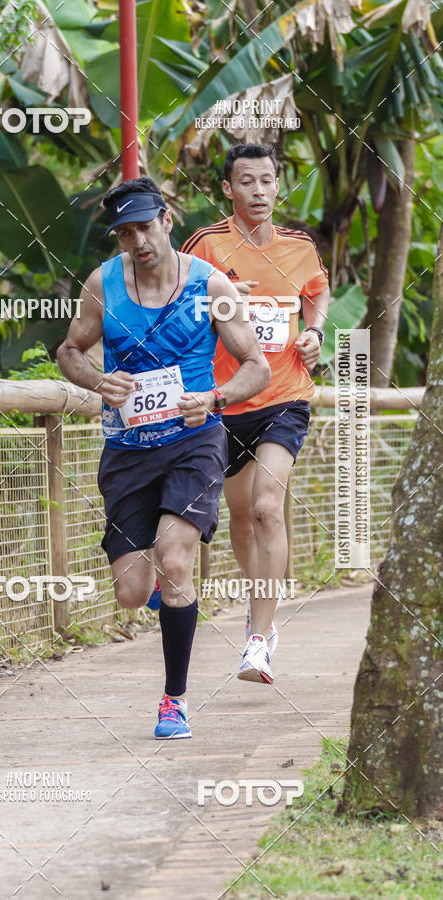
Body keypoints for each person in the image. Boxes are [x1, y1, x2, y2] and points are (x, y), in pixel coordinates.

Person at [57, 176, 270, 738]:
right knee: (130, 593)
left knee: (176, 560)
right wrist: (98, 380)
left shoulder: (210, 285)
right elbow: (70, 351)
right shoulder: (103, 284)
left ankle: (174, 700)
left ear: (167, 220)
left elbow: (257, 366)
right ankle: (154, 587)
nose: (138, 242)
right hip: (127, 450)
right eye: (125, 233)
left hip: (193, 443)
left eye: (145, 228)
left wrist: (216, 398)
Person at [182, 143, 330, 685]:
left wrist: (314, 332)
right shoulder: (206, 245)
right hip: (223, 400)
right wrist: (215, 301)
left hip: (283, 396)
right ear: (228, 189)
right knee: (241, 518)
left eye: (267, 180)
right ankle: (257, 606)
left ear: (277, 186)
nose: (259, 191)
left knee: (269, 506)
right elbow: (172, 302)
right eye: (247, 181)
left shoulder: (299, 246)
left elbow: (317, 291)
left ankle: (259, 639)